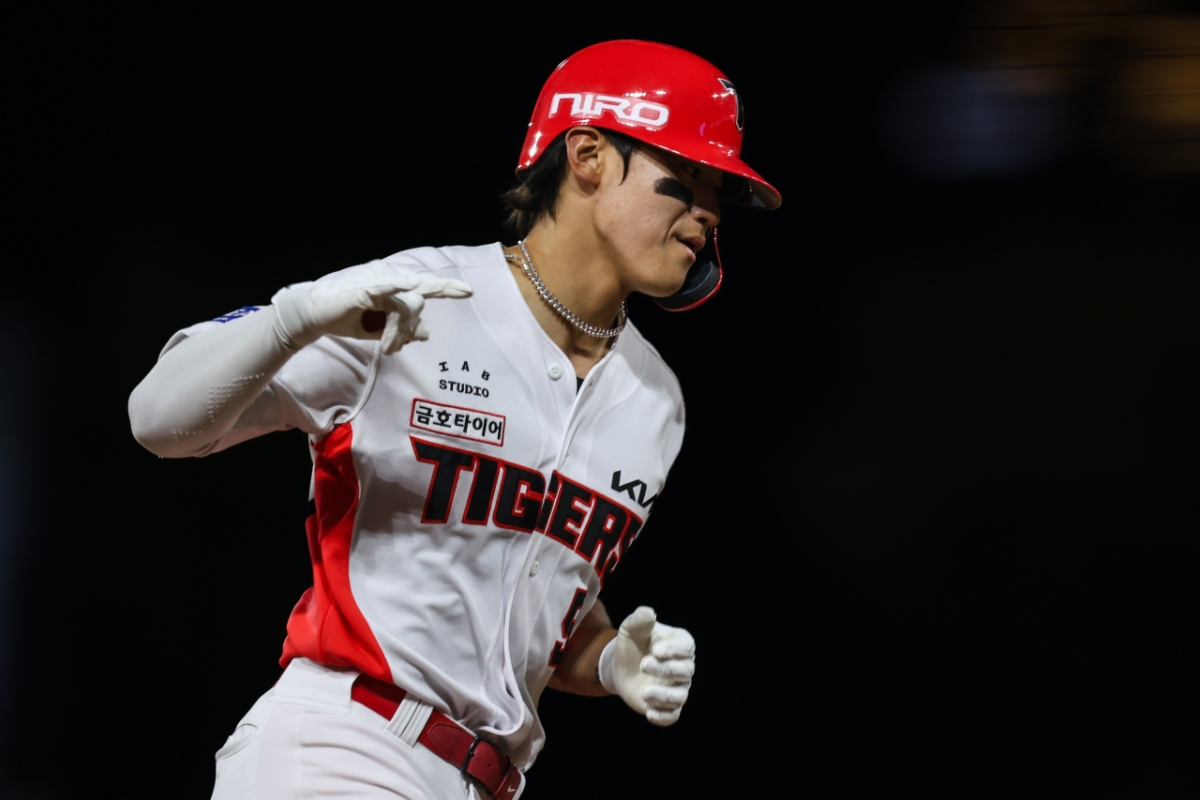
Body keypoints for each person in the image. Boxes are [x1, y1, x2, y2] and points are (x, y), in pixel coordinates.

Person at [128, 39, 780, 800]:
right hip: (345, 745)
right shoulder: (420, 297)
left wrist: (604, 658)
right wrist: (292, 319)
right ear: (590, 155)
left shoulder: (657, 400)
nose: (708, 213)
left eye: (718, 192)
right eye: (687, 178)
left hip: (483, 781)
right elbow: (157, 420)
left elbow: (523, 591)